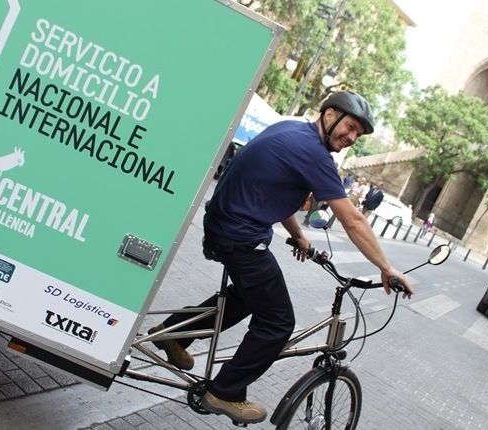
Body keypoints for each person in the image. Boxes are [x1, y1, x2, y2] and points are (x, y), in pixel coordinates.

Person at [148, 91, 413, 424]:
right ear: (329, 115)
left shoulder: (291, 129)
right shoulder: (314, 153)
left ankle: (173, 333)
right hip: (240, 235)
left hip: (225, 223)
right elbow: (353, 220)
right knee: (278, 322)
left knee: (245, 298)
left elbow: (272, 187)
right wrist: (386, 268)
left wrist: (298, 233)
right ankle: (225, 392)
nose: (350, 138)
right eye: (349, 128)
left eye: (357, 135)